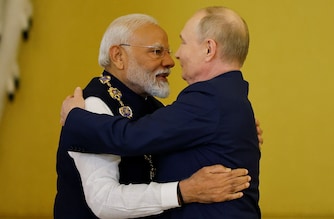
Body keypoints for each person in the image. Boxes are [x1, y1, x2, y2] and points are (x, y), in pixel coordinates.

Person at [60, 6, 261, 218]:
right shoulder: (92, 104)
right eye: (157, 51)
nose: (172, 60)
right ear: (118, 56)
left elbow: (132, 136)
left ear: (209, 49)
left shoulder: (203, 100)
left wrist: (74, 118)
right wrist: (184, 191)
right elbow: (104, 200)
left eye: (178, 46)